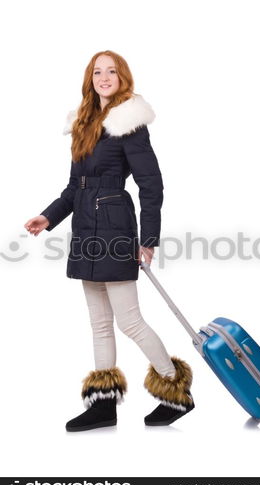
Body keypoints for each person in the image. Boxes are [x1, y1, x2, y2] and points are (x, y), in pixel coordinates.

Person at [24, 50, 195, 432]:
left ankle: (174, 391)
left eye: (111, 71)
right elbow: (75, 186)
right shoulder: (84, 122)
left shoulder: (128, 121)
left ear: (122, 77)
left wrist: (148, 238)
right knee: (99, 323)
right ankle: (103, 406)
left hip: (116, 227)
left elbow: (151, 184)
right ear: (90, 78)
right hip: (85, 227)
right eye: (97, 71)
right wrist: (48, 216)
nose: (104, 77)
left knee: (129, 321)